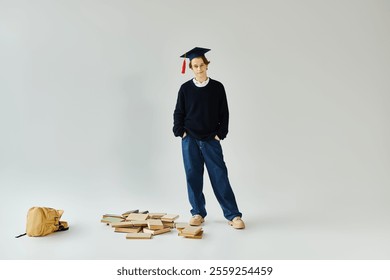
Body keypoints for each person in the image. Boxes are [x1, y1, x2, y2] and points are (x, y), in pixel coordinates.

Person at [173, 47, 245, 229]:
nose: (199, 69)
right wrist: (180, 130)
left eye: (201, 65)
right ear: (191, 67)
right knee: (193, 176)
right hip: (189, 139)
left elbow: (224, 113)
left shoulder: (217, 88)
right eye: (195, 66)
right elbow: (178, 112)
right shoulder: (185, 89)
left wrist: (220, 134)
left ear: (207, 65)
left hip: (211, 140)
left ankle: (233, 215)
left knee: (220, 176)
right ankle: (197, 212)